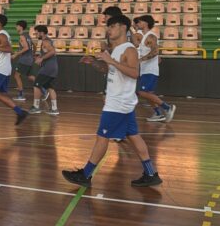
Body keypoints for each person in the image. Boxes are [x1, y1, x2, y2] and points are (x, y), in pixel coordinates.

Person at [63, 15, 163, 187]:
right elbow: (109, 70)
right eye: (108, 27)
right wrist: (94, 63)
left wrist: (111, 61)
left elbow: (134, 73)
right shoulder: (117, 49)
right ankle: (150, 173)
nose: (109, 30)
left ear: (123, 27)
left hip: (118, 103)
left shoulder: (129, 49)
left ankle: (85, 175)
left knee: (102, 137)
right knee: (134, 136)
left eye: (112, 26)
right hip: (122, 102)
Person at [133, 15, 176, 123]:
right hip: (145, 70)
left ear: (146, 23)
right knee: (149, 94)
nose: (138, 24)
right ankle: (158, 114)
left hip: (149, 70)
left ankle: (167, 107)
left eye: (140, 22)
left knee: (141, 92)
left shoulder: (150, 36)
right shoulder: (144, 36)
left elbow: (156, 51)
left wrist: (141, 59)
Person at [30, 25, 59, 115]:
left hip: (48, 68)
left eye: (37, 32)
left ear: (42, 33)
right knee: (50, 87)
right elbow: (45, 52)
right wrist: (38, 56)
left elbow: (52, 51)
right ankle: (54, 109)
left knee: (36, 85)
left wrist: (42, 58)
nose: (35, 34)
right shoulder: (42, 41)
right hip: (53, 67)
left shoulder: (45, 41)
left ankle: (36, 107)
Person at [11, 20, 36, 101]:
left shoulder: (22, 36)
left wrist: (16, 54)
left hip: (24, 59)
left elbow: (26, 47)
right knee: (30, 76)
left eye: (17, 26)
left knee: (16, 75)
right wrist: (33, 54)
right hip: (29, 59)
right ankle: (44, 90)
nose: (16, 27)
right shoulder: (27, 35)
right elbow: (34, 45)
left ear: (20, 27)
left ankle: (21, 95)